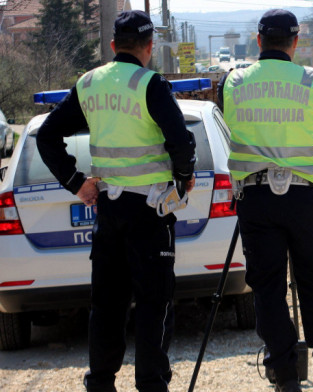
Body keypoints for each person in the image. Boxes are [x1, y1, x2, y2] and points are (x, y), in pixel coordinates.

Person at [36, 10, 196, 392]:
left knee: (107, 304)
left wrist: (76, 183)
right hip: (149, 212)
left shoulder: (89, 83)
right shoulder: (149, 83)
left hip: (108, 210)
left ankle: (102, 383)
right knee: (153, 302)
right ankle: (152, 384)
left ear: (112, 46)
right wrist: (183, 178)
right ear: (149, 46)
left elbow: (47, 136)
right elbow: (181, 141)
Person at [216, 8, 313, 392]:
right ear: (295, 43)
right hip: (305, 198)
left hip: (256, 199)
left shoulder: (234, 81)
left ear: (259, 41)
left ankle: (285, 375)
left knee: (268, 287)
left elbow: (230, 121)